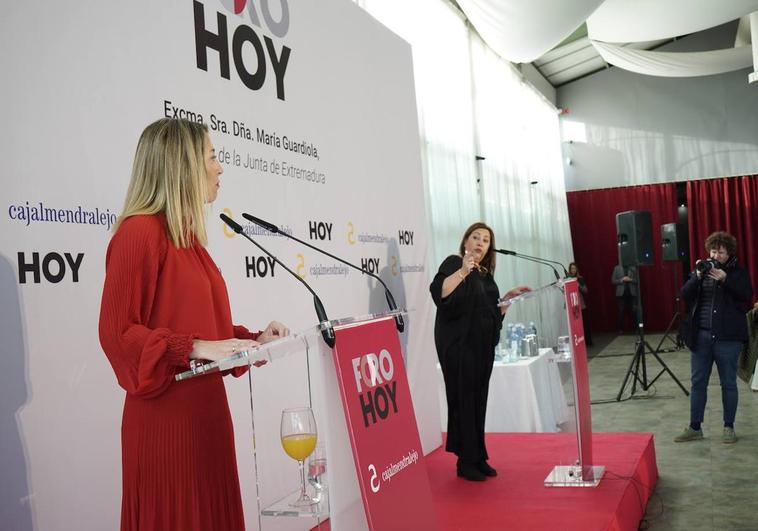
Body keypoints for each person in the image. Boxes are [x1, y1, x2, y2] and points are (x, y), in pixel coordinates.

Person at [99, 118, 289, 530]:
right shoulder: (139, 233)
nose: (220, 168)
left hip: (207, 418)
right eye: (213, 156)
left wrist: (252, 340)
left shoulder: (188, 239)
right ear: (182, 164)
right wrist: (194, 348)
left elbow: (206, 330)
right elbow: (117, 334)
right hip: (168, 425)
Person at [430, 222, 530, 481]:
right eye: (475, 237)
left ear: (489, 248)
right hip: (458, 346)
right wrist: (463, 271)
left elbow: (488, 313)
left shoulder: (485, 275)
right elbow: (440, 292)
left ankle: (477, 455)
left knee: (478, 399)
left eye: (485, 240)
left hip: (480, 346)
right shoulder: (454, 263)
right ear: (465, 242)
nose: (480, 242)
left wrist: (506, 300)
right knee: (463, 399)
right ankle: (465, 461)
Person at [674, 231, 753, 444]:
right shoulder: (702, 270)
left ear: (729, 254)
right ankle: (694, 427)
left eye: (720, 252)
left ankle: (729, 427)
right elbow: (684, 294)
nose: (715, 255)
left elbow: (747, 295)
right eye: (713, 251)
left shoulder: (738, 273)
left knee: (728, 383)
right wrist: (697, 277)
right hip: (701, 337)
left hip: (728, 338)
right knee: (698, 382)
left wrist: (726, 280)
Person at [568, 262, 593, 346]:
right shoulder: (567, 279)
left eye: (574, 268)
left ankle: (588, 341)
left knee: (585, 324)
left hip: (580, 305)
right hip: (571, 305)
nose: (573, 270)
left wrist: (578, 285)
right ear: (569, 270)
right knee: (575, 326)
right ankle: (576, 342)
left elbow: (585, 290)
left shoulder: (580, 279)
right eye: (572, 268)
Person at [611, 264, 638, 333]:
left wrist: (630, 280)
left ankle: (637, 329)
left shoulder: (633, 268)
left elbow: (637, 280)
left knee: (634, 311)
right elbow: (613, 281)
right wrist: (621, 280)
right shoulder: (616, 268)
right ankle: (620, 329)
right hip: (621, 294)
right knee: (621, 311)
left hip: (632, 294)